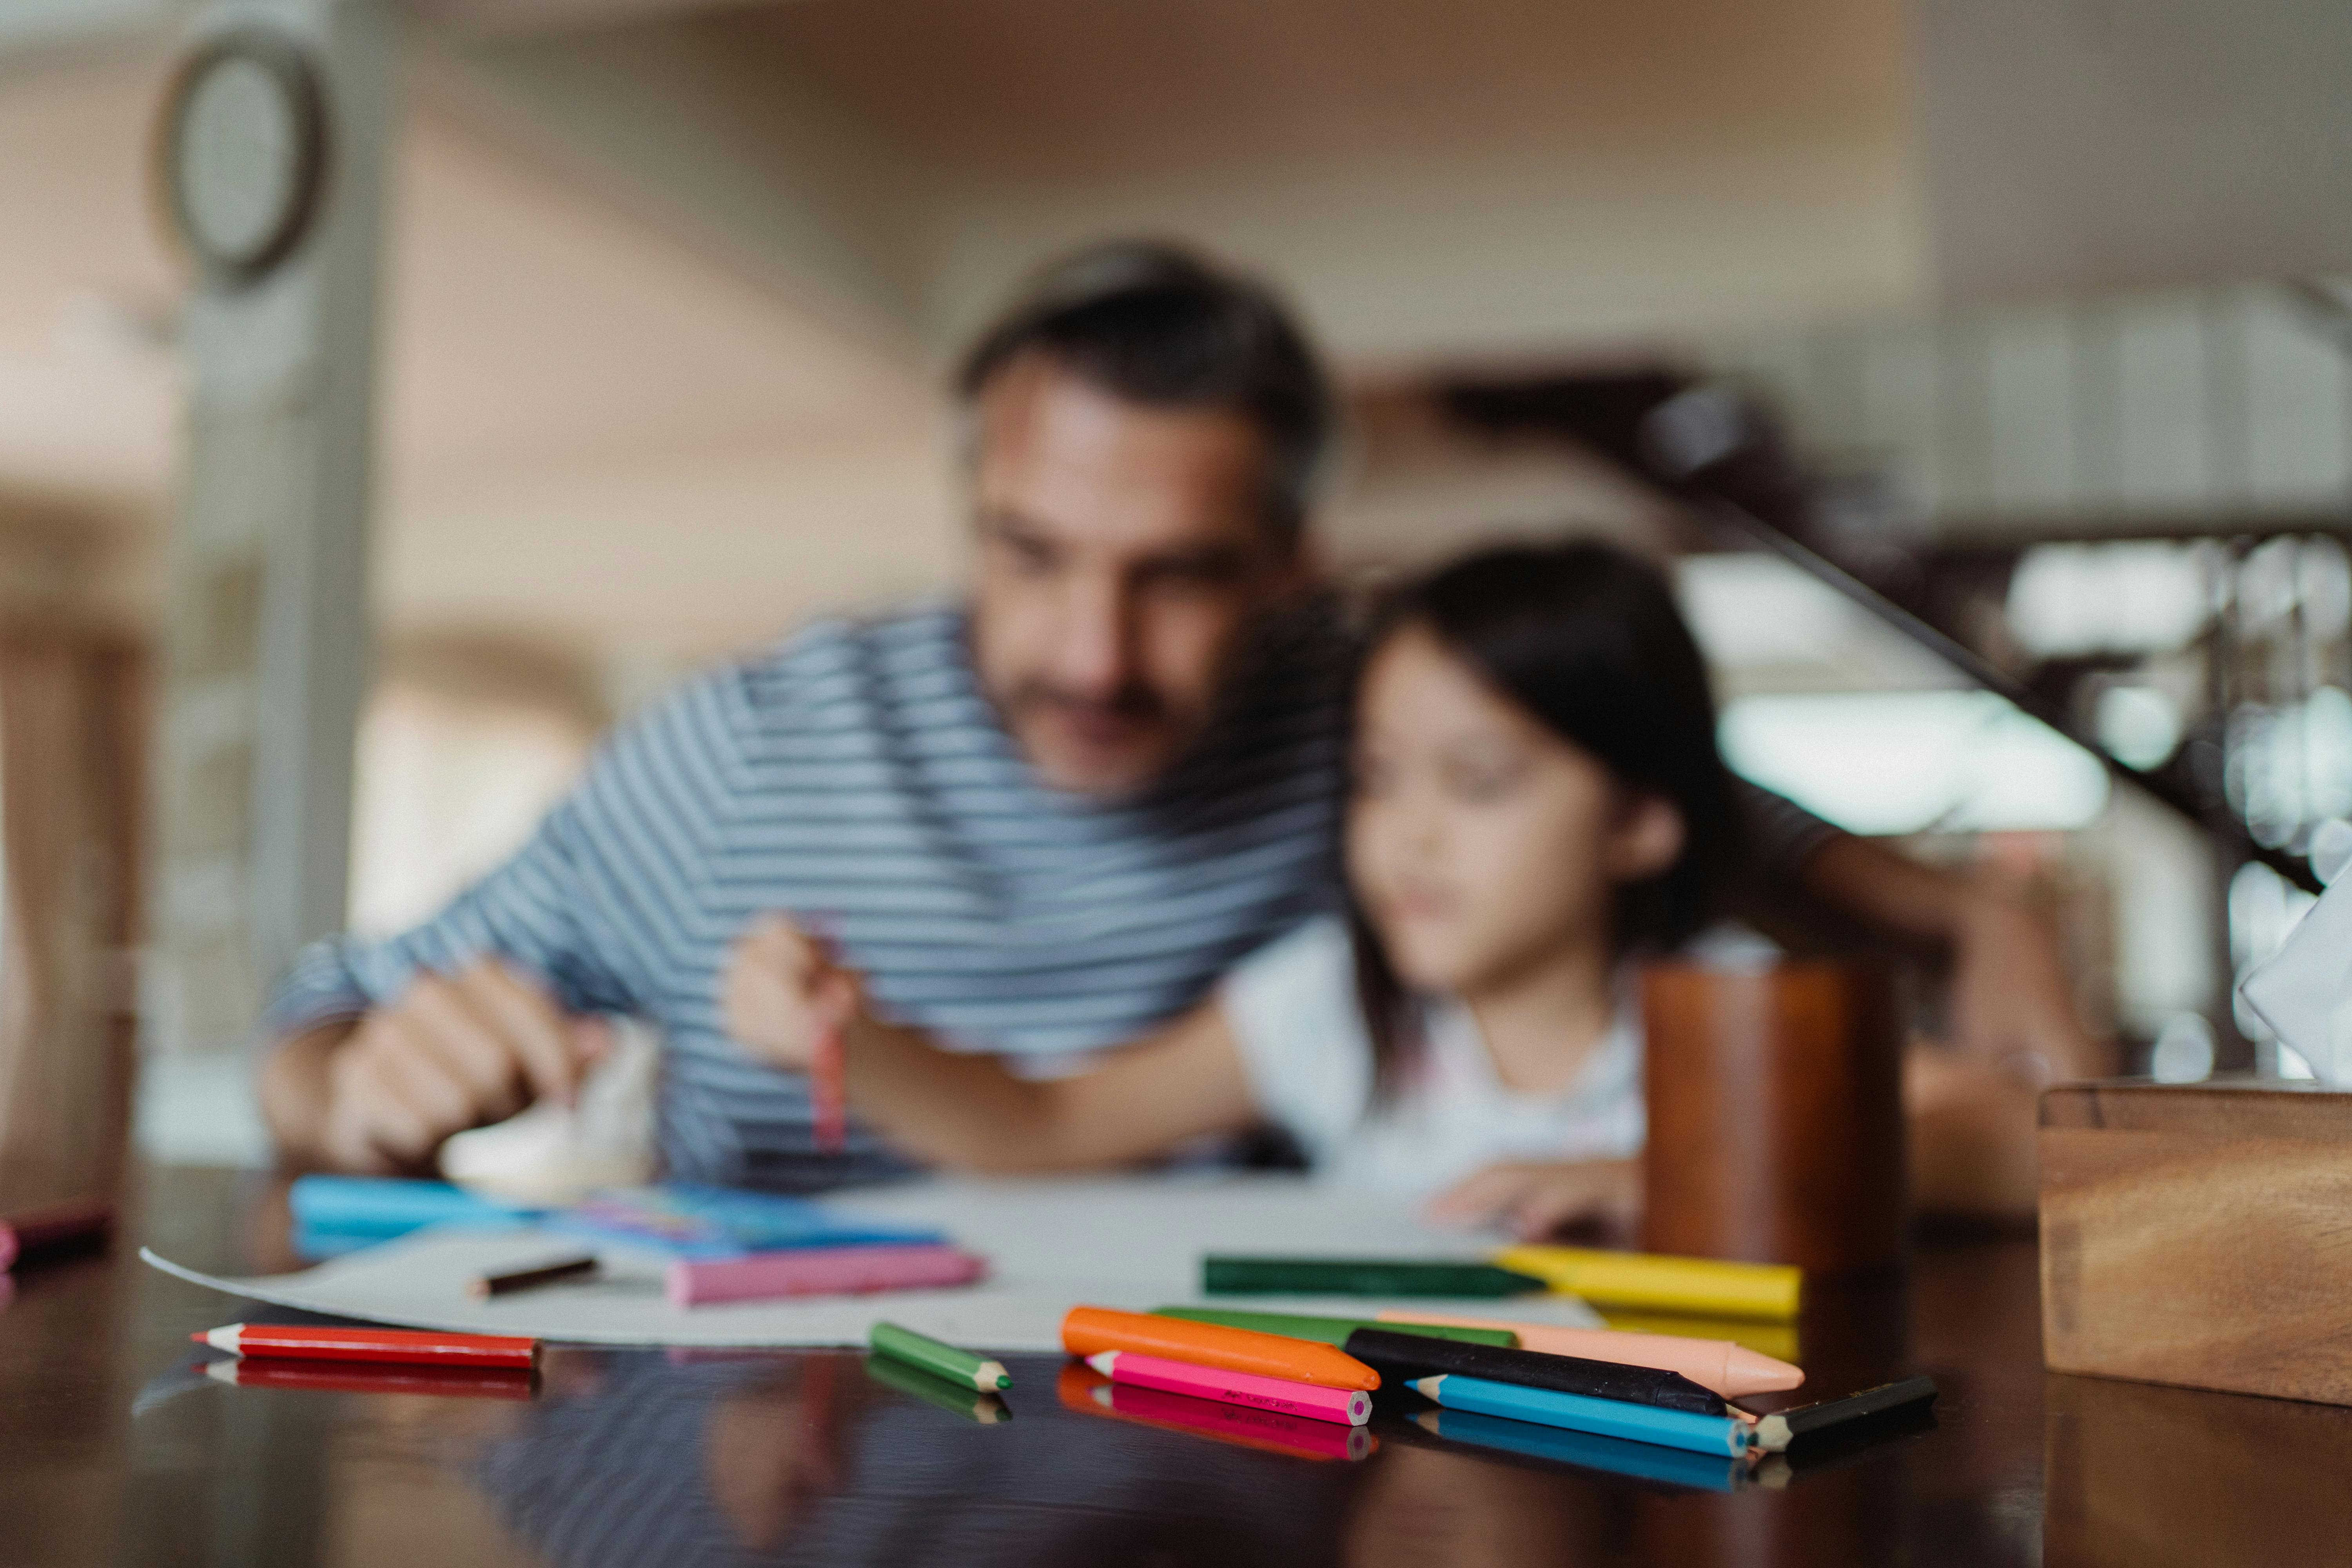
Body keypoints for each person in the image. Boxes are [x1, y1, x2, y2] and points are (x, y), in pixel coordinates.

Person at [255, 239, 2099, 1188]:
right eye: (1033, 554)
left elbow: (1668, 794)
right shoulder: (733, 755)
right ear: (971, 509)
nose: (1093, 653)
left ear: (1298, 562)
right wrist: (352, 1089)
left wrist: (1964, 909)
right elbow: (316, 1029)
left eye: (1181, 576)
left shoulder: (1370, 704)